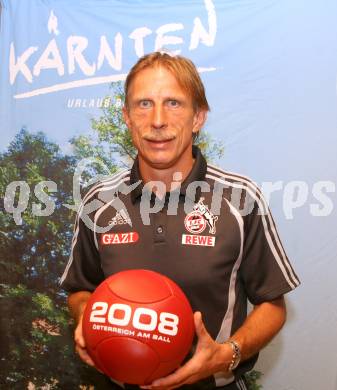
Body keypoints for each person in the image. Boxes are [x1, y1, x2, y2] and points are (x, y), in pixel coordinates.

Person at [60, 52, 300, 390]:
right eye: (144, 104)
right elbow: (80, 288)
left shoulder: (241, 198)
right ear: (127, 117)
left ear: (198, 116)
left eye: (174, 103)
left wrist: (228, 352)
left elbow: (272, 304)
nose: (158, 120)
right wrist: (88, 321)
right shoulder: (98, 200)